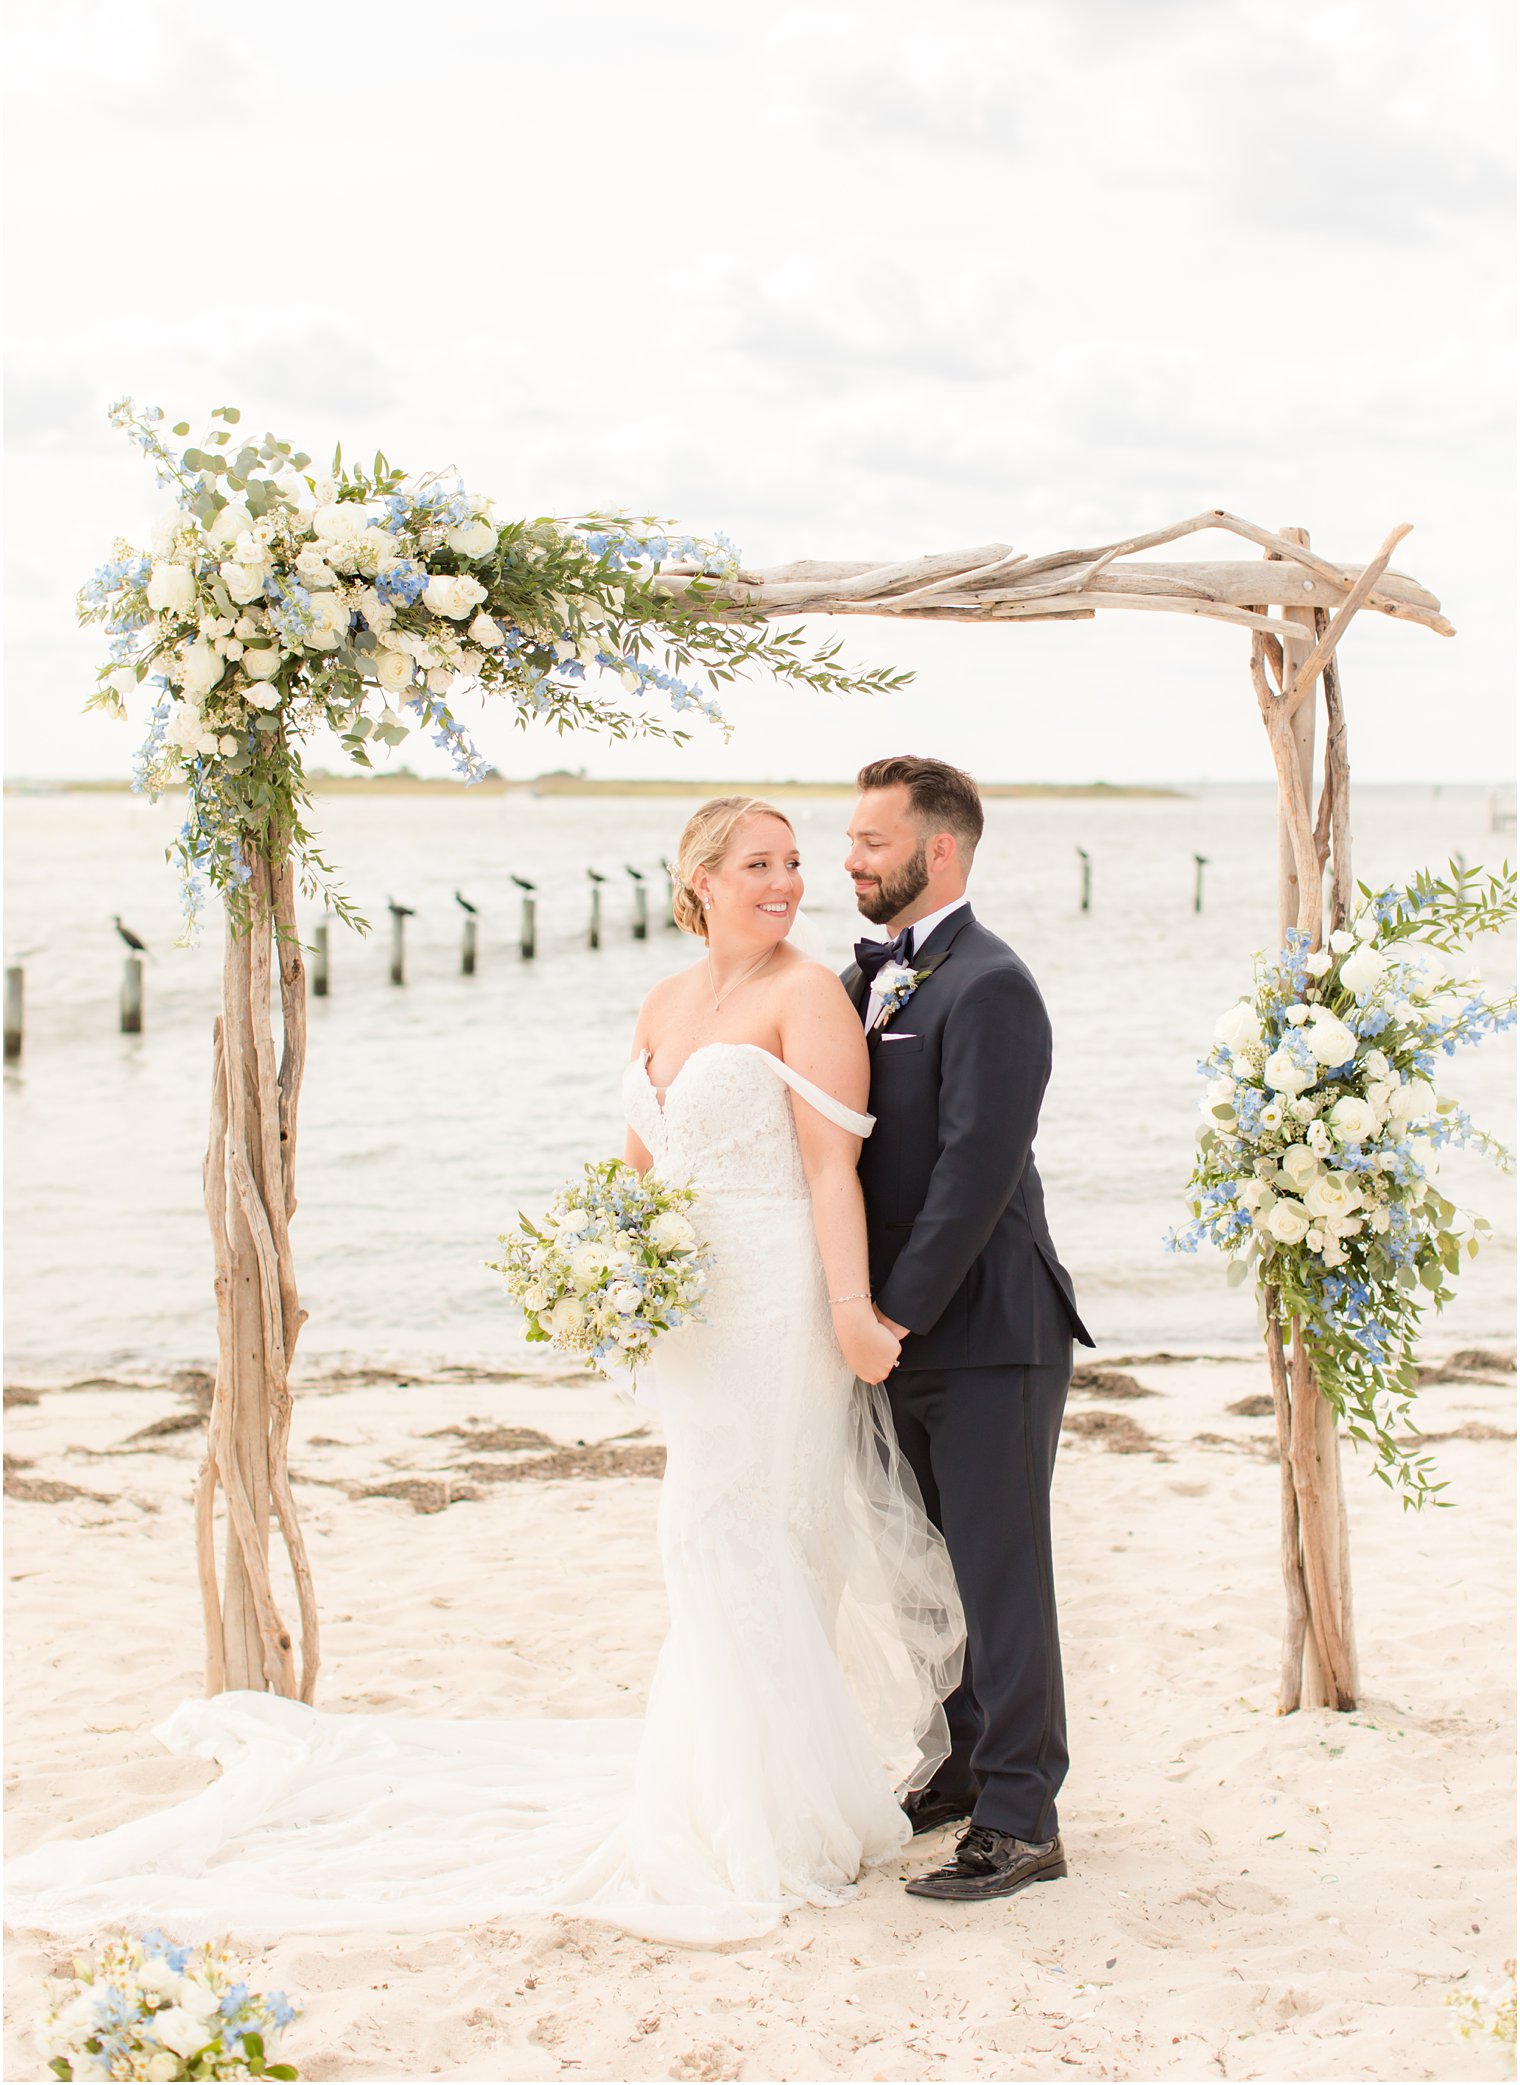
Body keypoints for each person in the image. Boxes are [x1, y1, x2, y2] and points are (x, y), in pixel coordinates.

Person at [6, 796, 963, 1951]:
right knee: (702, 1535)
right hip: (692, 1316)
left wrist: (854, 1310)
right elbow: (641, 1170)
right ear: (698, 877)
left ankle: (777, 1811)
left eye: (793, 864)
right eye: (758, 863)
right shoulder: (663, 1001)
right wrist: (604, 1272)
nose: (784, 883)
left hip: (774, 1303)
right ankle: (739, 1786)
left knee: (752, 1531)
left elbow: (828, 1175)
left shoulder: (808, 996)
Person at [843, 754, 1093, 1904]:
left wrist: (891, 1311)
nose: (851, 859)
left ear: (937, 851)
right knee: (925, 1567)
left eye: (872, 842)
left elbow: (973, 1172)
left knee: (998, 1575)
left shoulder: (990, 982)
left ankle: (1020, 1818)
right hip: (895, 1333)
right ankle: (958, 1763)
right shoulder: (871, 977)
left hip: (986, 1328)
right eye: (850, 840)